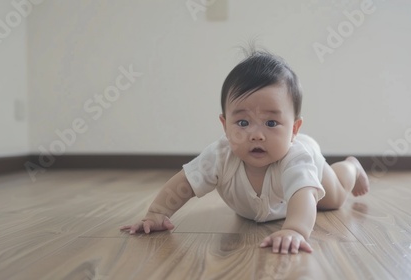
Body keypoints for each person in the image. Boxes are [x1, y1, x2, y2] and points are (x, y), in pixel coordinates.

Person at [120, 49, 369, 254]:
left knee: (334, 199)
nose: (256, 134)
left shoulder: (297, 159)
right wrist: (157, 213)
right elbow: (184, 184)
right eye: (242, 123)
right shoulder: (220, 155)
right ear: (225, 125)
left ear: (294, 129)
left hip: (314, 163)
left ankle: (351, 167)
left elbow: (303, 197)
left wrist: (294, 229)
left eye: (271, 123)